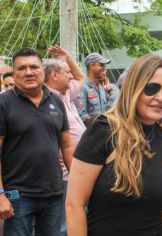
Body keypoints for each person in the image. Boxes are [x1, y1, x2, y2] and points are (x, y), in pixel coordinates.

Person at [66, 54, 162, 235]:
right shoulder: (105, 129)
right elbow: (74, 205)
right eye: (152, 88)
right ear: (133, 88)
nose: (161, 97)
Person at [0, 47, 74, 235]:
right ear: (14, 73)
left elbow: (66, 145)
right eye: (21, 68)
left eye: (34, 66)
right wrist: (0, 195)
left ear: (43, 70)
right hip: (18, 196)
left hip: (54, 193)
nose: (29, 72)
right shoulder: (4, 103)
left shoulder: (56, 100)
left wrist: (76, 180)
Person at [45, 45, 87, 236]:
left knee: (77, 213)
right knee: (64, 219)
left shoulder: (65, 93)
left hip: (76, 167)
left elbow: (80, 78)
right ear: (53, 75)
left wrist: (67, 57)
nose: (71, 76)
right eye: (66, 72)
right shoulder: (44, 99)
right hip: (63, 171)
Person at [74, 53, 118, 126]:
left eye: (105, 65)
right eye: (102, 65)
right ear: (92, 66)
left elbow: (110, 108)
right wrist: (102, 123)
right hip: (91, 133)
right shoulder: (83, 87)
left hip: (103, 132)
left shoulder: (102, 87)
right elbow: (82, 116)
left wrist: (109, 91)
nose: (105, 68)